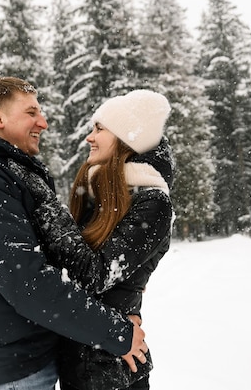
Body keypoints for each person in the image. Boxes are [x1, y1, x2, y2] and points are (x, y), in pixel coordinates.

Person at [0, 76, 149, 390]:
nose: (44, 122)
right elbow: (28, 282)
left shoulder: (8, 170)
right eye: (31, 113)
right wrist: (116, 333)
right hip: (12, 372)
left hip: (30, 358)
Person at [11, 89, 174, 390]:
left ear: (127, 138)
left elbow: (96, 275)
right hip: (80, 363)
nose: (89, 137)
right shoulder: (103, 193)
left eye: (99, 128)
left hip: (112, 372)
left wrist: (46, 205)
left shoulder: (153, 202)